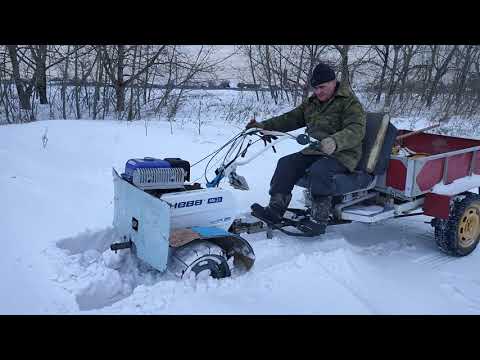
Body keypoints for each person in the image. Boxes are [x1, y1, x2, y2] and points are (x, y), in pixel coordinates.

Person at [246, 62, 366, 233]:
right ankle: (275, 209)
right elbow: (290, 118)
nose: (318, 92)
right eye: (315, 88)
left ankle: (319, 219)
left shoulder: (349, 103)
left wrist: (334, 141)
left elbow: (356, 130)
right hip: (315, 150)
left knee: (319, 171)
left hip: (342, 154)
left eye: (322, 87)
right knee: (286, 163)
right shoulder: (312, 103)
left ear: (333, 82)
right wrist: (263, 126)